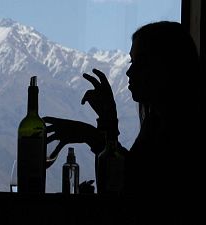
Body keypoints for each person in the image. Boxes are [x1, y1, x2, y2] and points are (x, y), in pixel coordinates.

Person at [44, 21, 201, 199]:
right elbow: (131, 175)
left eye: (140, 63)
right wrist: (107, 119)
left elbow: (137, 186)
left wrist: (94, 134)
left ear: (167, 67)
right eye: (131, 61)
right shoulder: (157, 123)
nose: (129, 72)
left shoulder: (184, 133)